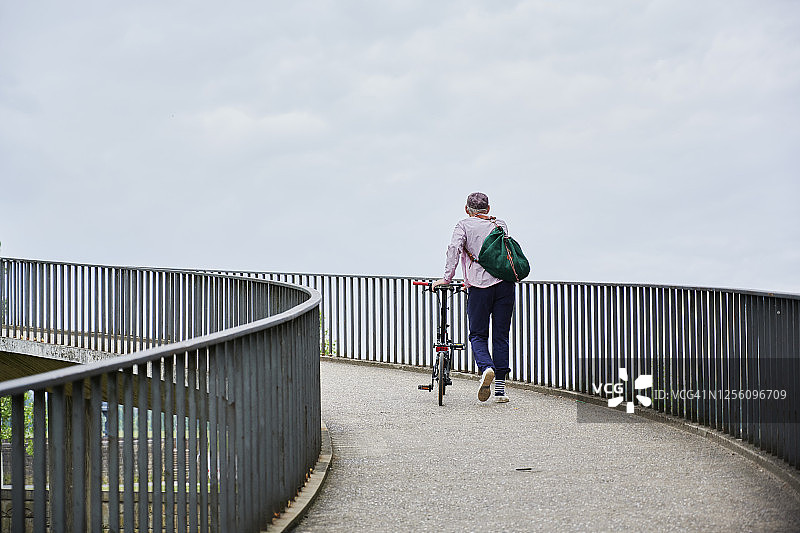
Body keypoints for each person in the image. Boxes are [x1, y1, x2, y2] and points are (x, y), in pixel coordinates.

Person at [432, 192, 515, 403]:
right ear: (488, 209)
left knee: (478, 335)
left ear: (467, 209)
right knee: (501, 336)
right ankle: (499, 391)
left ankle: (486, 368)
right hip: (505, 285)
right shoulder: (500, 224)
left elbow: (454, 250)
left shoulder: (463, 226)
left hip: (479, 288)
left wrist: (446, 278)